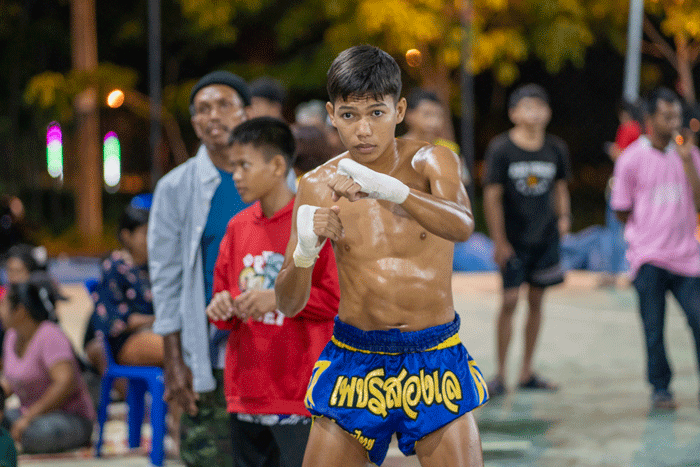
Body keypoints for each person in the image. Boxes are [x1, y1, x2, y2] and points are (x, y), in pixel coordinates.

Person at [275, 45, 488, 467]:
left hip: (433, 354)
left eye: (376, 112)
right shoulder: (317, 184)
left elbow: (463, 225)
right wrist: (304, 250)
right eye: (350, 115)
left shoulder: (433, 160)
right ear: (332, 115)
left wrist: (391, 190)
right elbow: (288, 302)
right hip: (355, 356)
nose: (363, 130)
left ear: (399, 109)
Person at [206, 117, 340, 466]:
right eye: (232, 166)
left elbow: (335, 301)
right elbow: (222, 300)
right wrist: (221, 307)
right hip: (246, 393)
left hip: (300, 395)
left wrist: (278, 298)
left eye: (244, 165)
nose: (235, 175)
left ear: (278, 165)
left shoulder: (312, 224)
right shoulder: (237, 227)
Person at [149, 70, 251, 467]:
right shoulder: (177, 188)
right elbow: (166, 278)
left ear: (246, 113)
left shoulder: (277, 180)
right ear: (194, 123)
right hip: (208, 351)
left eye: (224, 105)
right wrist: (174, 362)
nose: (213, 116)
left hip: (271, 350)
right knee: (211, 456)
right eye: (203, 109)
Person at [610, 87, 700, 410]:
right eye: (667, 115)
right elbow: (621, 208)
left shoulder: (689, 155)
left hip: (687, 257)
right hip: (648, 256)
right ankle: (661, 388)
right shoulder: (631, 159)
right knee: (654, 328)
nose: (675, 121)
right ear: (650, 119)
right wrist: (644, 230)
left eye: (677, 114)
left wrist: (689, 162)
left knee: (698, 318)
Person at [482, 83, 571, 397]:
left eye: (540, 106)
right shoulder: (501, 148)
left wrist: (564, 219)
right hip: (514, 239)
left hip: (545, 239)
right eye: (527, 106)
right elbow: (492, 196)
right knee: (509, 301)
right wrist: (499, 241)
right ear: (513, 113)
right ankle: (500, 374)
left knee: (537, 301)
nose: (534, 113)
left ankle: (526, 371)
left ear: (547, 112)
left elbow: (560, 187)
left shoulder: (556, 147)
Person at [0, 276, 95, 454]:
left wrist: (28, 418)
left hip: (68, 417)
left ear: (20, 311)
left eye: (3, 304)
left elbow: (66, 383)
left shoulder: (50, 335)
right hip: (29, 415)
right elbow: (10, 382)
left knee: (34, 434)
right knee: (7, 424)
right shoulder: (11, 336)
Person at [83, 200, 161, 379]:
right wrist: (159, 319)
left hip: (154, 333)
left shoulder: (151, 267)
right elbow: (116, 321)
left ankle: (175, 406)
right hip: (124, 341)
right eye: (146, 234)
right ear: (127, 235)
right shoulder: (115, 267)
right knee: (178, 349)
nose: (152, 240)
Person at [402, 88, 471, 187]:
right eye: (427, 114)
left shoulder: (450, 148)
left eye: (438, 116)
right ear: (409, 115)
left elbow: (464, 180)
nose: (434, 122)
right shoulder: (394, 147)